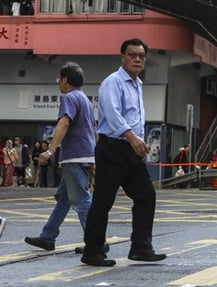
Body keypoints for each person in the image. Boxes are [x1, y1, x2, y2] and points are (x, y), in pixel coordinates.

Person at [80, 38, 167, 267]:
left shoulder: (137, 84)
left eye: (141, 56)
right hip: (113, 148)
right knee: (103, 201)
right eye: (132, 55)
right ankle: (93, 251)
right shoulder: (113, 82)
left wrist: (138, 141)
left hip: (132, 150)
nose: (137, 59)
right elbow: (112, 114)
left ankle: (140, 247)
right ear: (122, 57)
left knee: (146, 195)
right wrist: (132, 137)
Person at [24, 63, 97, 252]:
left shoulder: (70, 97)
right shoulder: (85, 100)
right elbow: (92, 130)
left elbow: (64, 123)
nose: (58, 82)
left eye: (59, 79)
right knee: (64, 198)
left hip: (74, 157)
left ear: (65, 80)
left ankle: (96, 243)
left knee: (81, 201)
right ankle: (48, 236)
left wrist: (51, 150)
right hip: (85, 155)